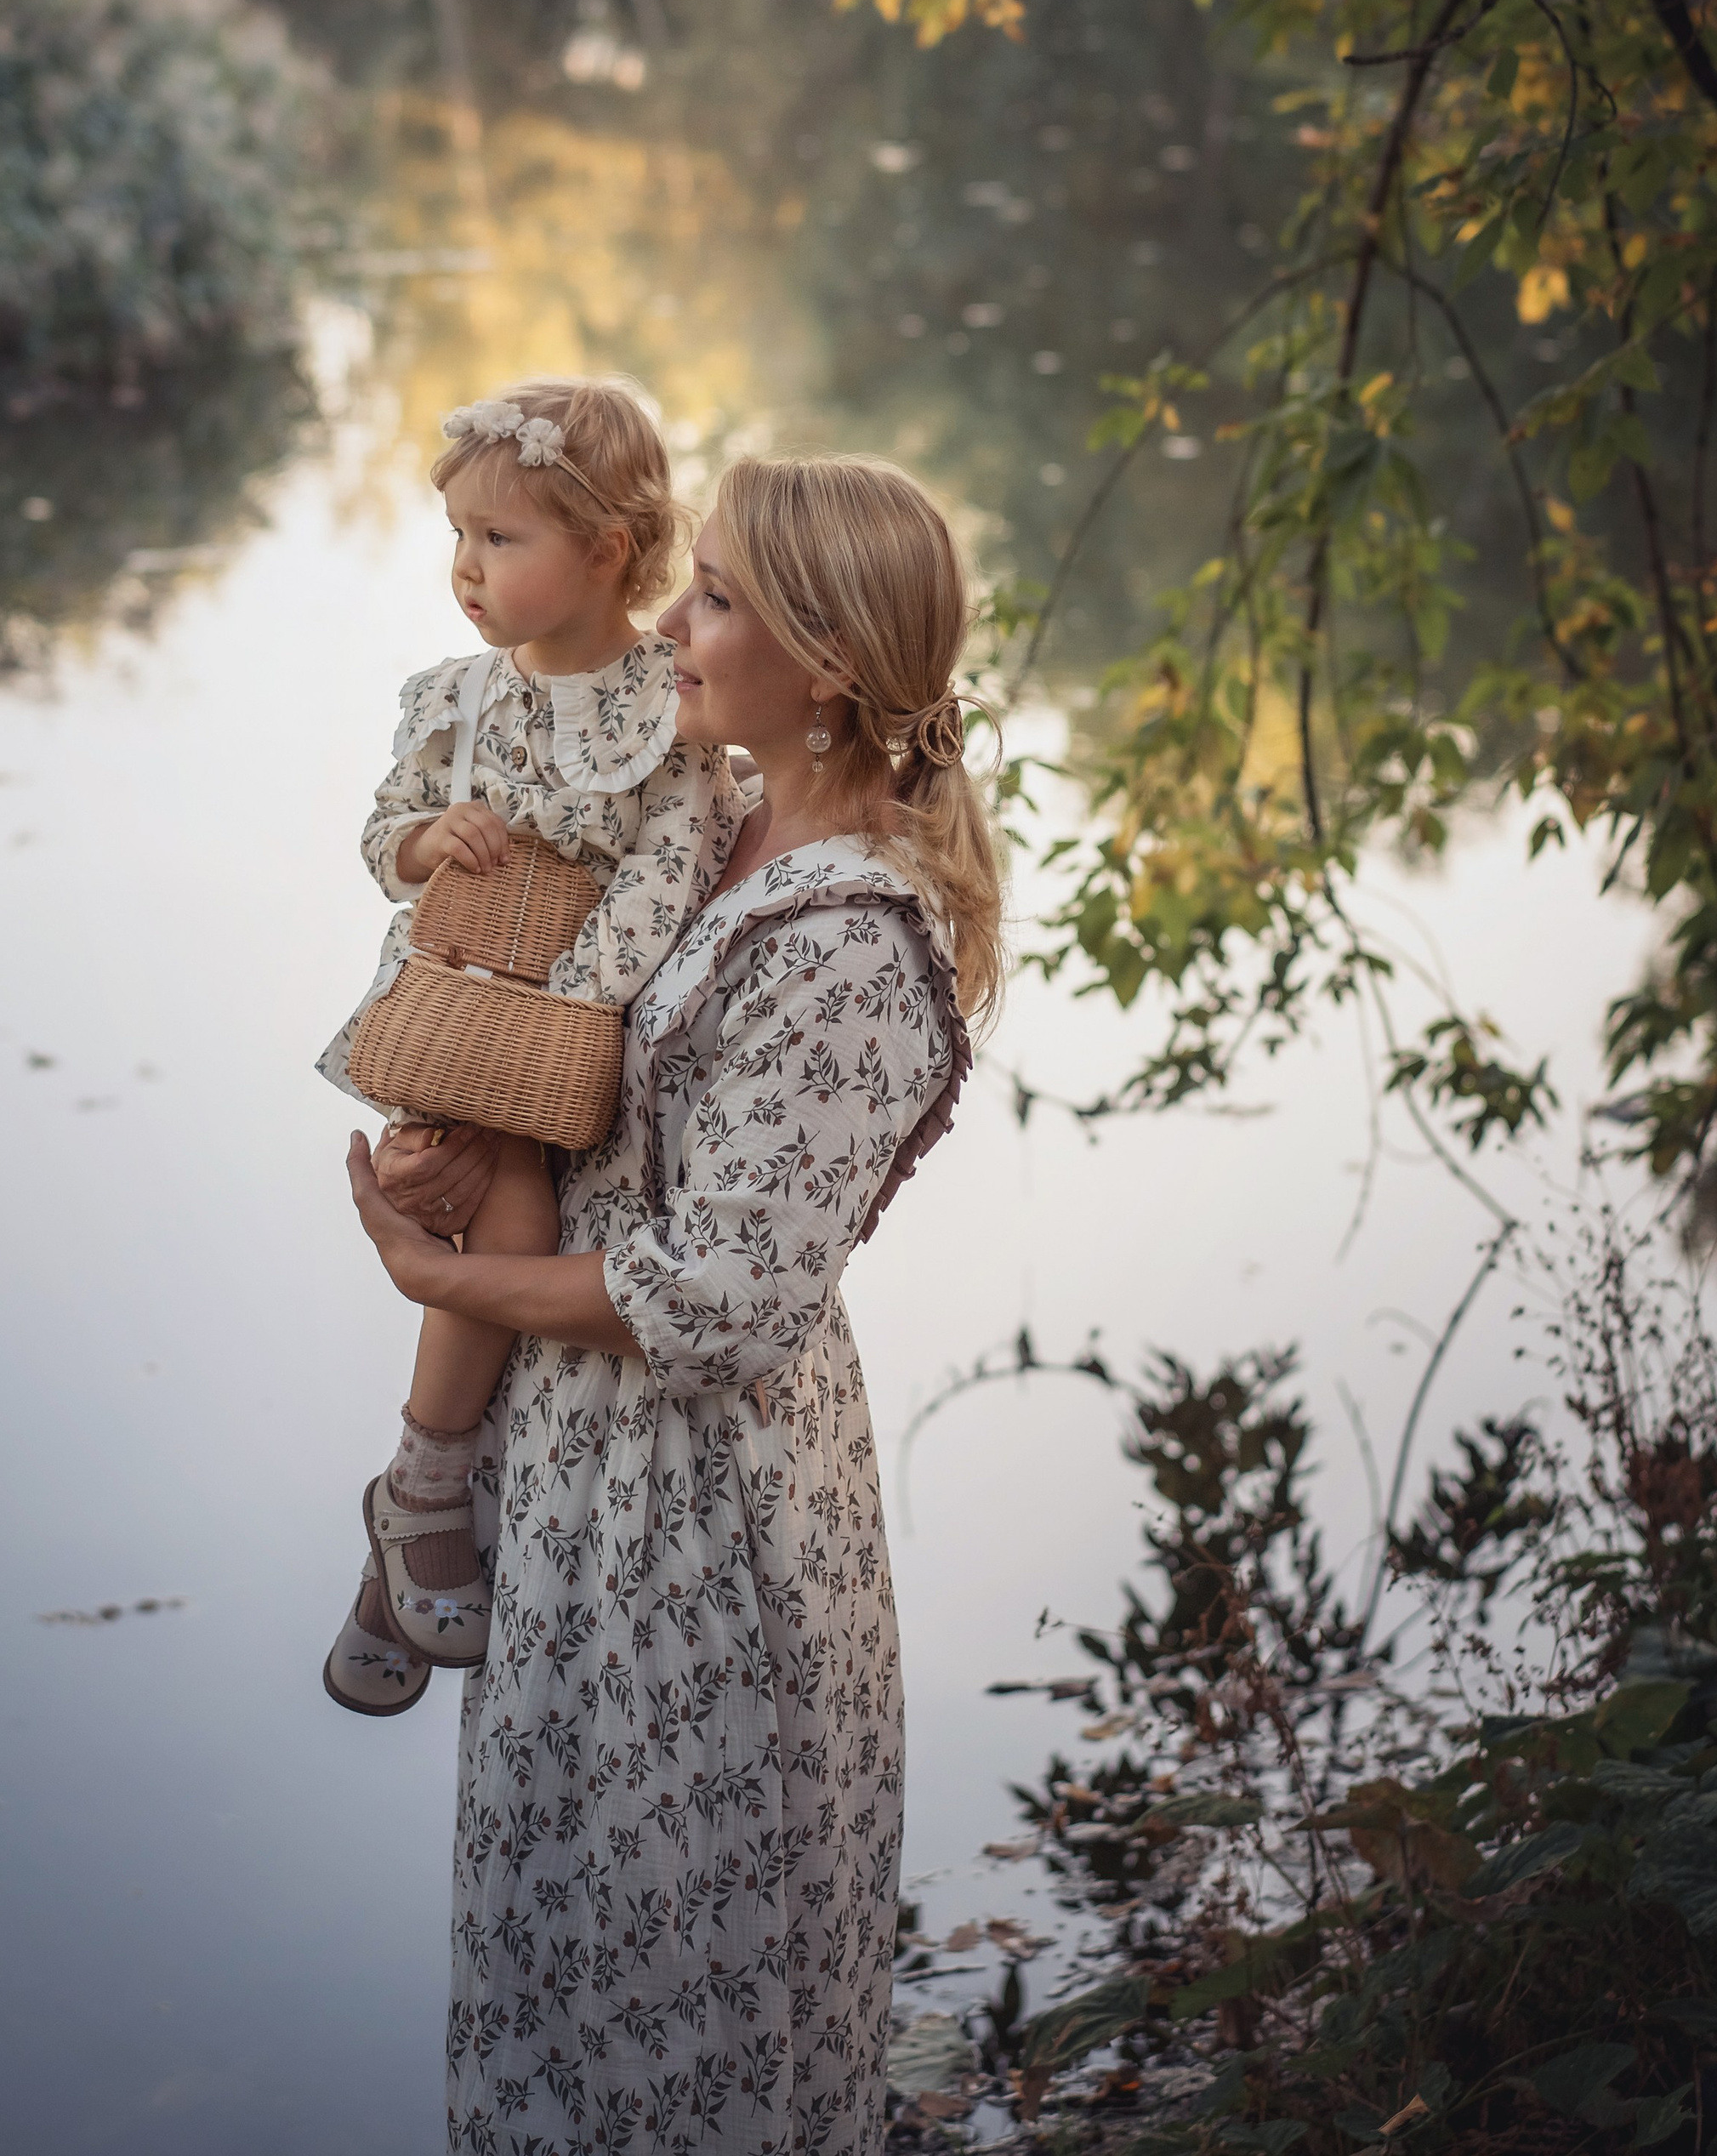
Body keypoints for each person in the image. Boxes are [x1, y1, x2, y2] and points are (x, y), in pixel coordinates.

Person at [346, 452, 1003, 2156]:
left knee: (680, 2016)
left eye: (712, 596)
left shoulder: (853, 935)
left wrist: (444, 1276)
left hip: (709, 1526)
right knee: (553, 1958)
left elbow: (716, 1293)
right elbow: (589, 1092)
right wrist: (465, 1153)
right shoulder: (712, 820)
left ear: (830, 663)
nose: (672, 625)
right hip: (576, 1476)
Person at [316, 379, 743, 1714]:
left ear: (608, 549)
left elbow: (663, 882)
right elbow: (384, 834)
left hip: (558, 1027)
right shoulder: (460, 699)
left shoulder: (667, 715)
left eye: (500, 539)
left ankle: (414, 1514)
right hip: (448, 1007)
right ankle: (426, 1486)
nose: (465, 568)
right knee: (493, 1202)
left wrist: (555, 1022)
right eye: (459, 536)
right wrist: (426, 844)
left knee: (507, 1207)